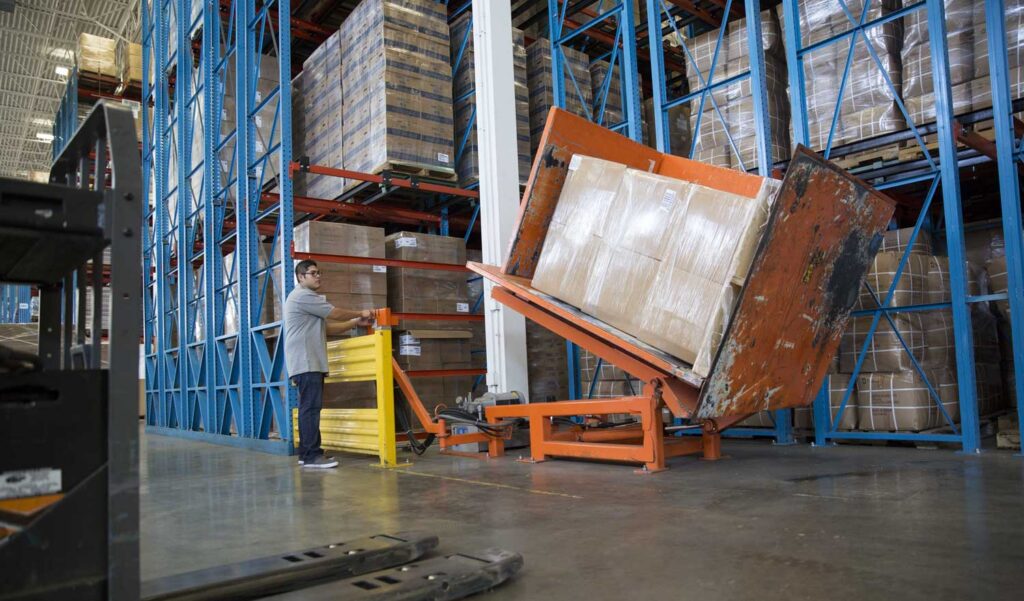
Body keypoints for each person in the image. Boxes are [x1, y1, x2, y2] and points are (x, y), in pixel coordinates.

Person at [284, 259, 374, 469]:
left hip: (308, 361)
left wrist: (354, 323)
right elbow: (335, 313)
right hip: (307, 361)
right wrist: (361, 312)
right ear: (301, 277)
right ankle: (311, 456)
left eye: (319, 273)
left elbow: (329, 329)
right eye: (313, 273)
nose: (318, 276)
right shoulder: (303, 296)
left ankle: (307, 453)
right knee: (310, 409)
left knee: (309, 408)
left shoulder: (305, 301)